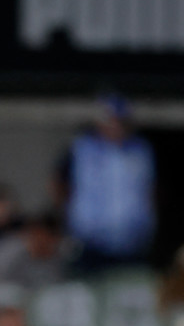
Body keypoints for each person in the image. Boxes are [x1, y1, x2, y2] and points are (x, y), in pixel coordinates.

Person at [52, 93, 156, 273]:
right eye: (109, 120)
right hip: (89, 240)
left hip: (130, 240)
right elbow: (57, 182)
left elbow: (149, 189)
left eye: (119, 121)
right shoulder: (82, 147)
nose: (114, 125)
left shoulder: (140, 150)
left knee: (127, 289)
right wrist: (67, 215)